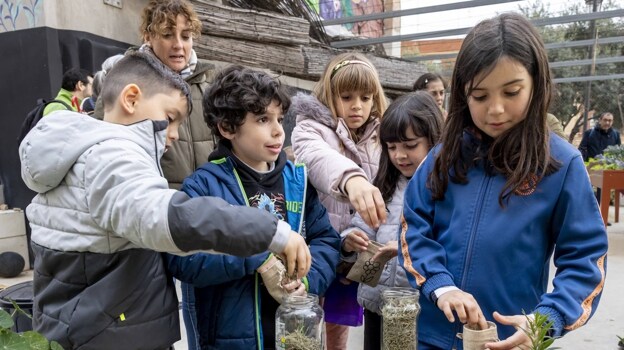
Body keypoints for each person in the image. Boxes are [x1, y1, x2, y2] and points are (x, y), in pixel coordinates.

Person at [19, 51, 311, 350]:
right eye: (170, 119)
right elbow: (168, 218)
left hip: (87, 327)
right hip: (109, 335)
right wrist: (272, 232)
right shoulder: (111, 157)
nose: (173, 134)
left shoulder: (80, 153)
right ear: (131, 99)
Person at [399, 13, 608, 350]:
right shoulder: (442, 157)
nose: (495, 109)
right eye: (479, 96)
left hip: (510, 340)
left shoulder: (561, 164)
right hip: (432, 336)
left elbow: (586, 258)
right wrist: (441, 285)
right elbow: (414, 227)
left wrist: (547, 318)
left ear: (536, 84)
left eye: (511, 92)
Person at [166, 65, 341, 350]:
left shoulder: (298, 180)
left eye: (280, 119)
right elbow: (183, 259)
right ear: (227, 127)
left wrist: (307, 281)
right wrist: (254, 257)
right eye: (262, 119)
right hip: (228, 339)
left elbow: (326, 240)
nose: (278, 131)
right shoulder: (203, 186)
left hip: (294, 336)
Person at [290, 52, 388, 350]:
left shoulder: (381, 135)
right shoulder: (309, 127)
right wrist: (351, 178)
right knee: (305, 323)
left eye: (365, 97)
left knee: (339, 325)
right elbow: (317, 157)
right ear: (330, 95)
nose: (357, 106)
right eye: (346, 97)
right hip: (317, 247)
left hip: (356, 251)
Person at [341, 91, 443, 350]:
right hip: (378, 304)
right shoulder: (385, 184)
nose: (399, 155)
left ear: (434, 140)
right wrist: (350, 242)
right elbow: (361, 228)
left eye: (410, 146)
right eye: (392, 147)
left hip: (421, 309)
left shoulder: (445, 189)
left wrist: (403, 253)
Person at [93, 0, 215, 189]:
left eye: (185, 36)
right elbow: (105, 148)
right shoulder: (124, 80)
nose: (178, 45)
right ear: (148, 36)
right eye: (167, 35)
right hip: (154, 203)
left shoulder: (208, 82)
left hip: (207, 203)